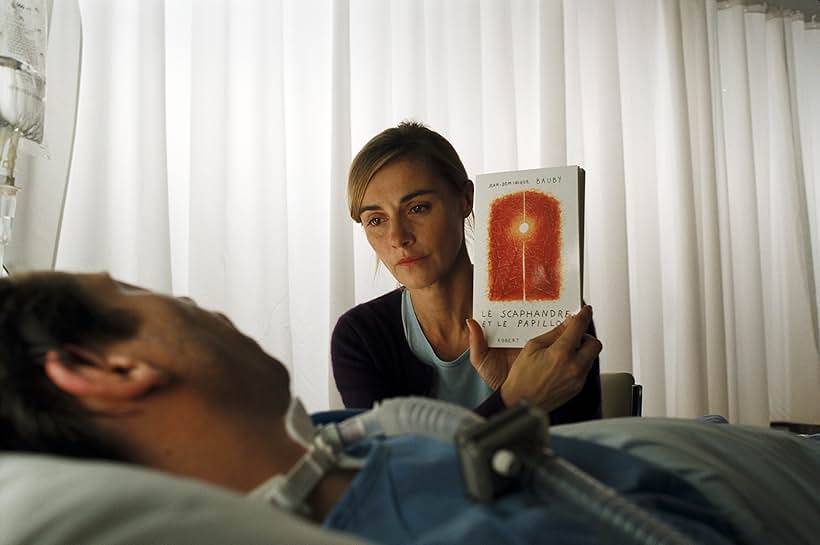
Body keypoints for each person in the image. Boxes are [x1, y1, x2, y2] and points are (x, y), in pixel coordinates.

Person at [2, 271, 819, 545]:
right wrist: (512, 400)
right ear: (103, 366)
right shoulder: (440, 521)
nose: (188, 299)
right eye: (143, 293)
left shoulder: (322, 446)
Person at [332, 121, 601, 420]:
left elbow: (579, 454)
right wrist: (514, 400)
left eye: (417, 208)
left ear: (466, 199)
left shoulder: (555, 318)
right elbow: (396, 464)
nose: (398, 238)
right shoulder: (361, 338)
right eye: (376, 220)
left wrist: (521, 392)